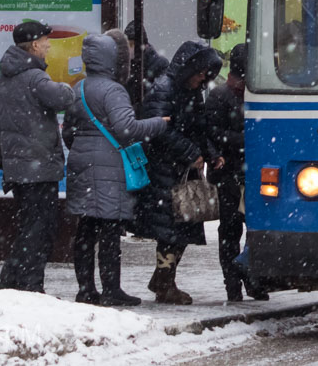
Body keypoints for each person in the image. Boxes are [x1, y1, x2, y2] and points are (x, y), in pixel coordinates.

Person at [63, 30, 168, 305]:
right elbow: (127, 129)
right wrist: (160, 123)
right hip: (108, 164)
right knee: (110, 229)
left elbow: (68, 132)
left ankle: (86, 289)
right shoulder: (113, 90)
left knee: (86, 228)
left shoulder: (79, 88)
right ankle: (112, 290)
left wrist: (85, 145)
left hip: (80, 162)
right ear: (113, 59)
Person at [130, 39, 223, 304]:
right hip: (164, 169)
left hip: (179, 169)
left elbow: (199, 126)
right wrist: (190, 152)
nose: (203, 79)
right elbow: (159, 130)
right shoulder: (164, 89)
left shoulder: (188, 91)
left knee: (181, 228)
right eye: (200, 73)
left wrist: (211, 152)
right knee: (171, 230)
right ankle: (164, 283)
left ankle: (163, 278)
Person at [0, 21, 74, 293]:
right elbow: (62, 98)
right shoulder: (35, 77)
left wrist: (3, 159)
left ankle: (9, 284)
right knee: (40, 230)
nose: (49, 45)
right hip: (39, 168)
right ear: (35, 45)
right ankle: (30, 287)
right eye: (46, 41)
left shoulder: (2, 78)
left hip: (19, 168)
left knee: (28, 227)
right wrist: (72, 88)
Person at [205, 42, 266, 302]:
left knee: (247, 230)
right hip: (232, 172)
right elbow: (213, 133)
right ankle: (236, 282)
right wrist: (247, 139)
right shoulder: (221, 96)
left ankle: (249, 279)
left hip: (244, 173)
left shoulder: (250, 95)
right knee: (234, 230)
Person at [124, 20, 169, 88]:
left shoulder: (160, 64)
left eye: (132, 44)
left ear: (144, 45)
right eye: (127, 44)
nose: (129, 48)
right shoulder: (125, 64)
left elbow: (160, 92)